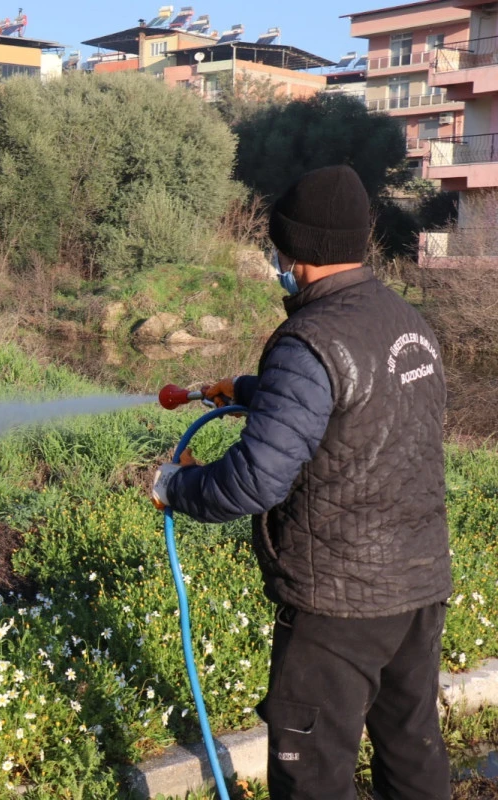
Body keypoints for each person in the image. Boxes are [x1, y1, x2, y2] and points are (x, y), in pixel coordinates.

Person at [150, 165, 452, 800]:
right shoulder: (408, 324)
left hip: (338, 604)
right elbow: (361, 406)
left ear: (297, 252)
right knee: (412, 753)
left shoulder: (307, 339)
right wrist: (251, 391)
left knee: (311, 775)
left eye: (279, 248)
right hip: (419, 588)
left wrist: (175, 488)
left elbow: (257, 479)